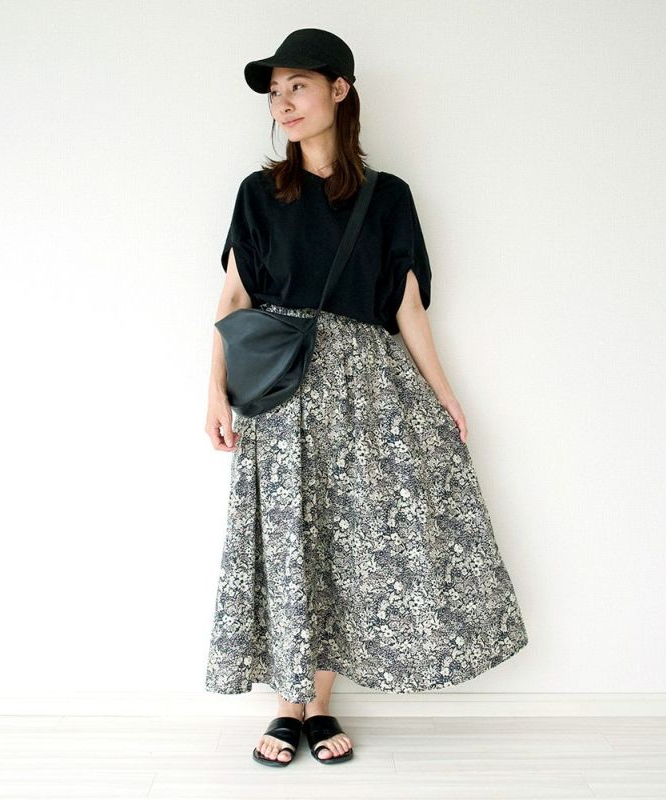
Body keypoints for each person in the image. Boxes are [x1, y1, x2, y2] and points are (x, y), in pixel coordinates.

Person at [204, 28, 529, 767]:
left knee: (347, 541)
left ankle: (320, 705)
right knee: (285, 539)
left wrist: (445, 395)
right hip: (279, 392)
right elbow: (232, 299)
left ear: (339, 90)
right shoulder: (258, 194)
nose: (283, 103)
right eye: (275, 92)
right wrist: (213, 394)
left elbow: (407, 306)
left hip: (368, 393)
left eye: (298, 86)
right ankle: (286, 707)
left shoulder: (388, 197)